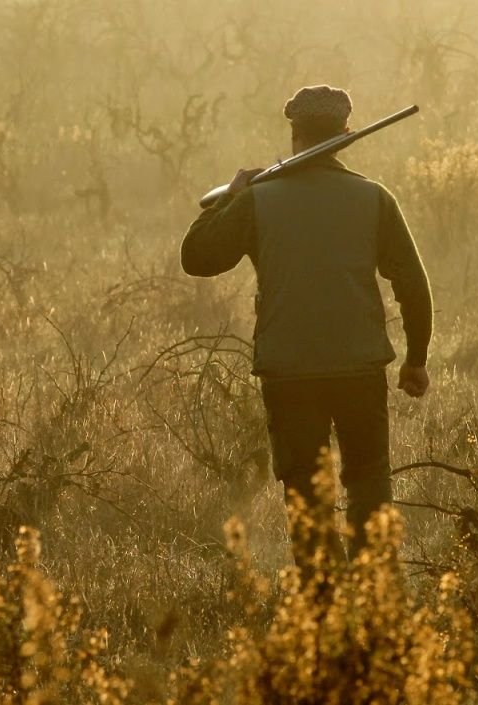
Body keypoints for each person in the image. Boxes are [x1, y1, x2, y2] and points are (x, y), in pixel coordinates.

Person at [180, 85, 433, 560]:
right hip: (359, 368)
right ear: (345, 134)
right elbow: (413, 283)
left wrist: (230, 199)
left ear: (294, 134)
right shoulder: (373, 197)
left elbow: (197, 258)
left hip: (288, 372)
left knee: (305, 494)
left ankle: (323, 607)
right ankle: (373, 596)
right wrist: (415, 360)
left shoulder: (257, 201)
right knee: (369, 483)